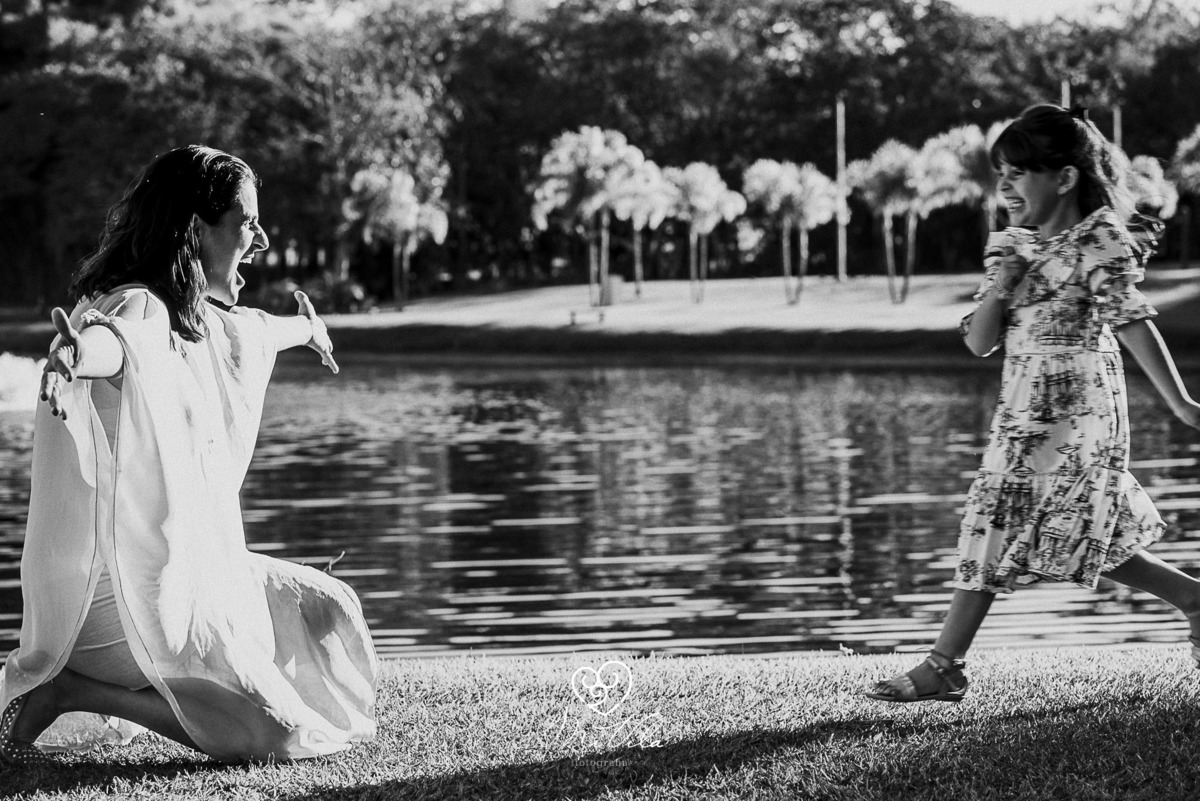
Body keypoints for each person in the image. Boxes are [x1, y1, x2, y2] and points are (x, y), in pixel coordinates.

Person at [0, 145, 377, 762]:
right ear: (197, 229)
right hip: (120, 604)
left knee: (328, 604)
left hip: (167, 579)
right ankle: (72, 690)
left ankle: (149, 691)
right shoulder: (141, 306)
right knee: (278, 737)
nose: (260, 239)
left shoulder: (195, 319)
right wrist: (74, 356)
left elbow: (258, 330)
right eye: (247, 222)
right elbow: (116, 343)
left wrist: (310, 329)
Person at [867, 104, 1200, 703]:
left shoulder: (1097, 241)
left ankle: (944, 664)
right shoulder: (1010, 247)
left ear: (1064, 178)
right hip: (1020, 417)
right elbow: (979, 341)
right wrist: (1004, 283)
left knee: (1009, 521)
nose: (1005, 186)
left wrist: (1179, 403)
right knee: (1072, 531)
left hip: (1080, 417)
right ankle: (1195, 599)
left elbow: (1132, 321)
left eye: (1018, 173)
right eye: (1001, 174)